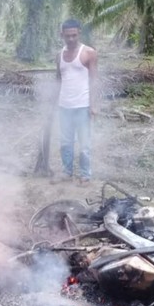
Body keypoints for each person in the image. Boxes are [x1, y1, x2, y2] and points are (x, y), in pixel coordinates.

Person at [55, 19, 98, 183]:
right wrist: (52, 103)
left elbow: (94, 80)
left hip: (82, 106)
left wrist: (93, 105)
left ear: (79, 33)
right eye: (67, 36)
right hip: (64, 106)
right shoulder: (59, 55)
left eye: (74, 35)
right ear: (62, 35)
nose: (71, 39)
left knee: (84, 145)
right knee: (66, 142)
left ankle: (85, 175)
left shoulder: (89, 53)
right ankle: (67, 172)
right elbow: (58, 80)